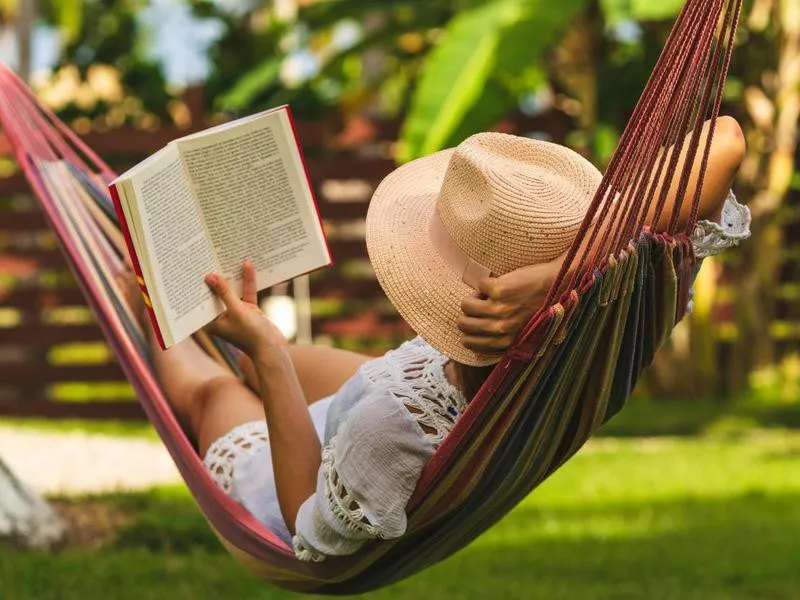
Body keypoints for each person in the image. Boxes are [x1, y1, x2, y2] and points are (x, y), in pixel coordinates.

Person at [123, 117, 750, 562]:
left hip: (300, 473)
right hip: (400, 382)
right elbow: (727, 137)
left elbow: (305, 527)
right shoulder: (618, 307)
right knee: (257, 360)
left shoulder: (390, 434)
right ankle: (238, 338)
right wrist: (569, 274)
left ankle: (142, 294)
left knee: (215, 392)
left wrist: (267, 353)